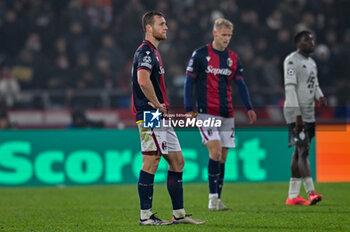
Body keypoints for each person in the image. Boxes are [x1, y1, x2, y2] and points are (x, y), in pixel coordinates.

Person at [132, 11, 205, 225]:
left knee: (177, 162)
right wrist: (155, 104)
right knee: (151, 161)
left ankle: (179, 214)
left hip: (159, 114)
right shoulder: (145, 52)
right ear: (148, 27)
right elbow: (143, 81)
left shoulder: (153, 52)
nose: (166, 27)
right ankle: (145, 216)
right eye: (161, 24)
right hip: (151, 114)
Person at [184, 18, 257, 211]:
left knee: (223, 158)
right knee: (215, 152)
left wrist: (249, 107)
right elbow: (189, 82)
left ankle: (218, 200)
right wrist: (187, 108)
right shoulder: (200, 55)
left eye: (229, 35)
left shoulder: (232, 58)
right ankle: (211, 198)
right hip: (206, 112)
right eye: (223, 35)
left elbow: (240, 84)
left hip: (227, 113)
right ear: (214, 33)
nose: (226, 39)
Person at [283, 30, 326, 206]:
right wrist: (297, 115)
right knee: (303, 151)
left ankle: (293, 196)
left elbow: (314, 84)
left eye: (312, 40)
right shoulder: (292, 61)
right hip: (296, 113)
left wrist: (320, 96)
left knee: (300, 151)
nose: (312, 43)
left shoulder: (312, 63)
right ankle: (311, 192)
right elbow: (290, 88)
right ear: (298, 43)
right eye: (307, 40)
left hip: (309, 112)